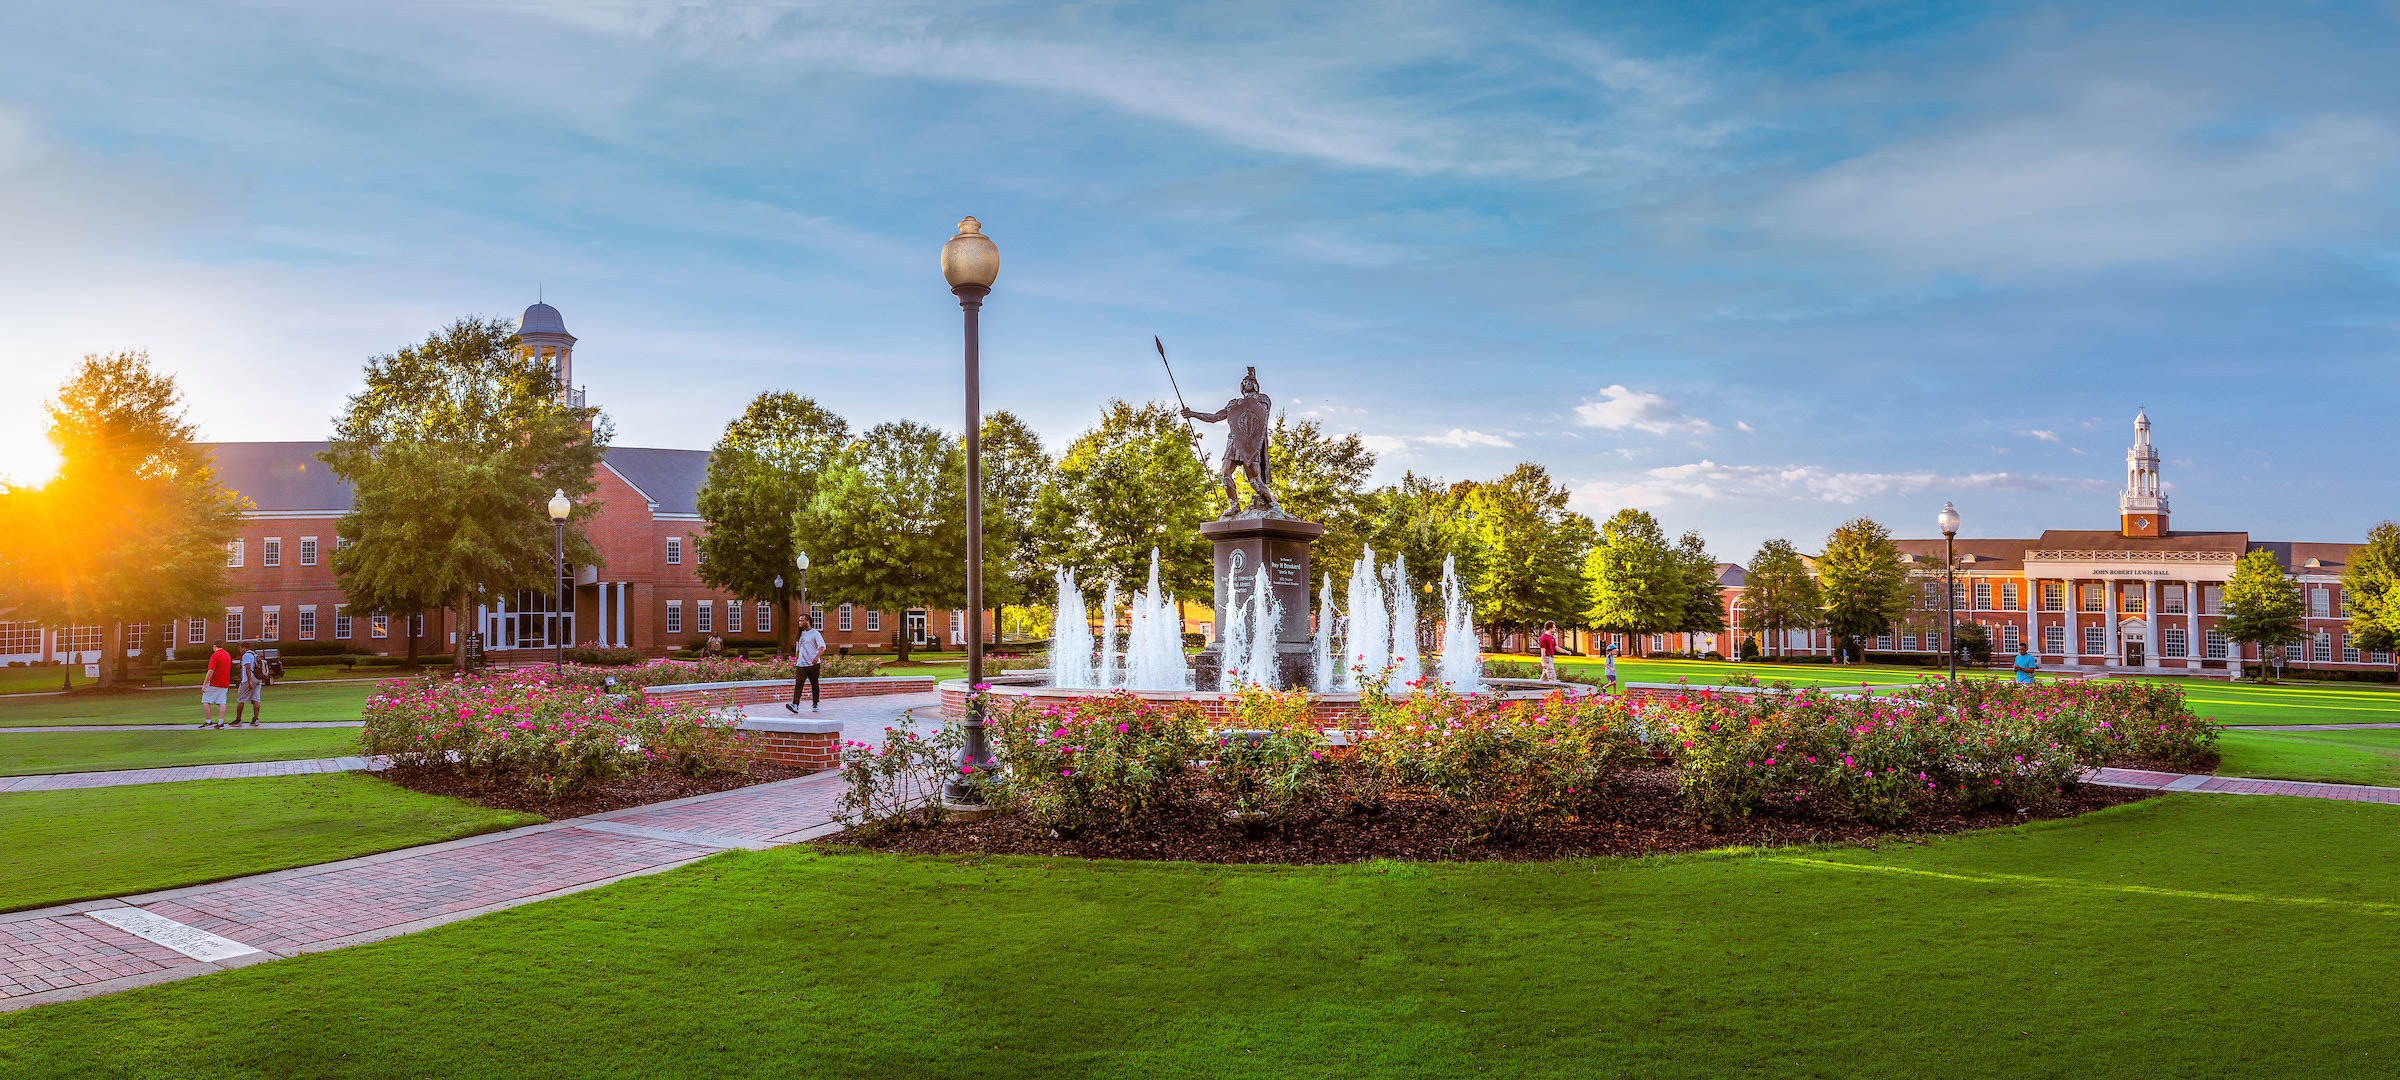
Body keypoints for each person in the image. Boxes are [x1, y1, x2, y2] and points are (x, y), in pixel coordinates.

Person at [785, 614, 827, 714]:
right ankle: (795, 705)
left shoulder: (815, 633)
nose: (800, 623)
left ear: (808, 621)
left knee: (814, 685)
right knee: (798, 684)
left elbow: (822, 647)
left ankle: (815, 704)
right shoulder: (800, 635)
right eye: (799, 621)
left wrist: (816, 658)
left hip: (813, 665)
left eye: (802, 621)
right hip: (801, 665)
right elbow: (798, 650)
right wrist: (797, 660)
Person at [198, 643, 232, 728]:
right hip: (225, 682)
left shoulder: (215, 656)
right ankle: (221, 722)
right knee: (222, 702)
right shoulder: (227, 655)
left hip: (214, 682)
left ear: (214, 646)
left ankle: (208, 721)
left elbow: (211, 670)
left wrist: (205, 683)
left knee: (206, 700)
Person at [232, 647, 266, 726]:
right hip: (258, 678)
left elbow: (247, 668)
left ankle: (238, 719)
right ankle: (255, 719)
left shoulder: (246, 655)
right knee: (256, 698)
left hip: (248, 679)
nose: (240, 650)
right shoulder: (255, 654)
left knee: (241, 699)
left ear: (244, 648)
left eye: (240, 649)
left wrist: (249, 681)